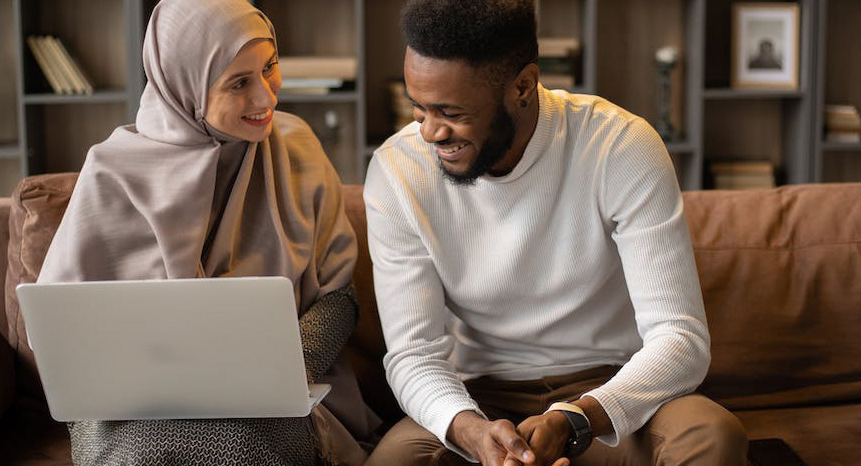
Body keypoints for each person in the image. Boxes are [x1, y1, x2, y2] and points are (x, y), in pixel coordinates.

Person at [362, 1, 747, 465]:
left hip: (611, 393)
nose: (429, 132)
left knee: (711, 436)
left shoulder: (619, 146)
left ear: (523, 86)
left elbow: (680, 338)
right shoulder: (398, 170)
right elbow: (413, 355)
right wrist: (475, 434)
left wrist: (577, 418)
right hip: (482, 401)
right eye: (418, 108)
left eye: (451, 112)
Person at [37, 0, 377, 463]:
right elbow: (64, 329)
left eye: (270, 68)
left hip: (275, 402)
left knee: (241, 446)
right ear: (185, 85)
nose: (267, 98)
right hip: (133, 412)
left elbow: (339, 297)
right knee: (142, 453)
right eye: (239, 82)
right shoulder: (111, 172)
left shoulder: (296, 148)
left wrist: (280, 371)